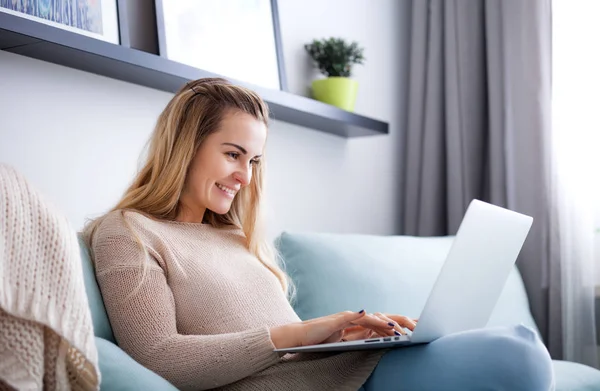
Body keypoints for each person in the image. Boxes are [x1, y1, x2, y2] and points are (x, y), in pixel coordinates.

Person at [83, 77, 554, 391]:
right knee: (519, 357)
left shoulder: (233, 238)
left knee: (518, 350)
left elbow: (290, 348)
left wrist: (343, 335)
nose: (245, 177)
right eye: (233, 154)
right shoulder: (128, 234)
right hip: (334, 385)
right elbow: (159, 356)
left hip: (347, 372)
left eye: (254, 161)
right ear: (185, 147)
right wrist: (305, 332)